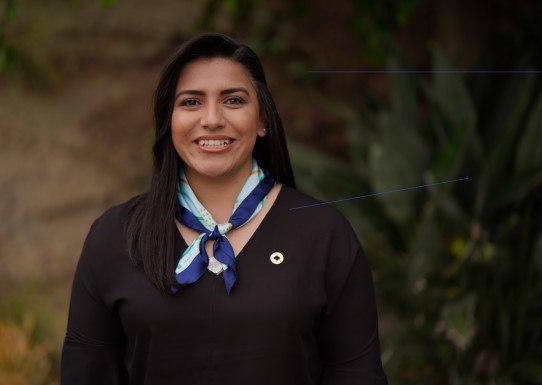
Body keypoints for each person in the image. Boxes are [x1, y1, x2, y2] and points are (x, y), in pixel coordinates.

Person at [61, 32, 388, 385]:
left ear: (262, 120)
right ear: (168, 120)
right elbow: (86, 372)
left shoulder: (323, 234)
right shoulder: (115, 237)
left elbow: (357, 375)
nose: (212, 119)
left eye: (233, 100)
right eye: (190, 103)